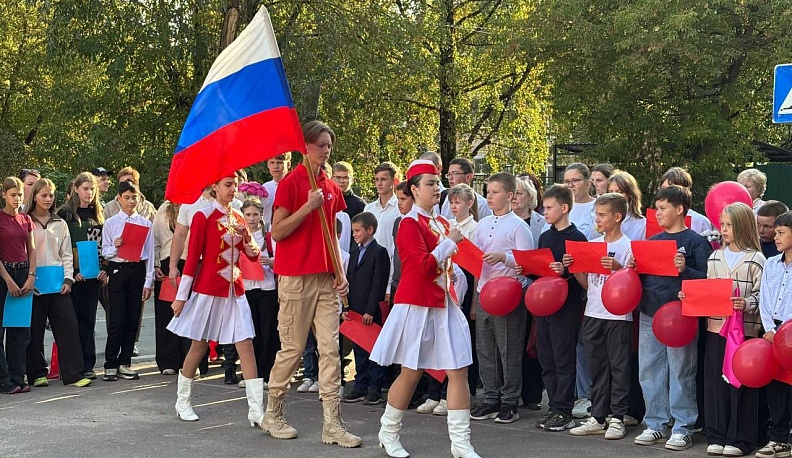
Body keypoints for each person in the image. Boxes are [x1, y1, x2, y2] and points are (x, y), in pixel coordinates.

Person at [371, 159, 480, 458]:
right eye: (430, 183)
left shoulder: (441, 223)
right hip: (418, 304)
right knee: (411, 372)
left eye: (437, 182)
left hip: (445, 303)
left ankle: (461, 444)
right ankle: (388, 431)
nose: (437, 188)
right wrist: (449, 245)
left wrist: (453, 273)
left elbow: (443, 265)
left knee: (459, 369)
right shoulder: (408, 223)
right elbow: (419, 267)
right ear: (414, 190)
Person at [262, 120, 361, 448]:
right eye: (320, 144)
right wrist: (307, 206)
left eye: (329, 145)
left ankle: (332, 424)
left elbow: (331, 233)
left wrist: (340, 272)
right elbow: (276, 232)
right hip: (294, 279)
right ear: (304, 146)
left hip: (324, 279)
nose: (326, 149)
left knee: (331, 350)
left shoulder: (331, 187)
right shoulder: (290, 183)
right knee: (291, 349)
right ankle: (273, 413)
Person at [167, 174, 265, 426]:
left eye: (235, 185)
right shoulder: (202, 216)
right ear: (214, 187)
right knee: (198, 346)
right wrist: (181, 296)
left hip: (236, 290)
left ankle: (256, 411)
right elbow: (192, 261)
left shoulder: (239, 217)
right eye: (228, 185)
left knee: (246, 345)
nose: (233, 190)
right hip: (208, 290)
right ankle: (182, 401)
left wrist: (247, 236)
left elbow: (253, 257)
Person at [630, 185, 712, 451]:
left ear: (680, 209)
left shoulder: (696, 242)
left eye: (663, 208)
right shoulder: (652, 242)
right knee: (649, 370)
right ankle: (655, 423)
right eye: (657, 208)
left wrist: (685, 269)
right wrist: (633, 267)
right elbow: (641, 279)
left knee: (681, 371)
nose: (658, 213)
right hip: (649, 313)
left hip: (680, 316)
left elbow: (708, 280)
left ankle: (683, 426)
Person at [682, 202, 764, 456]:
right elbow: (708, 289)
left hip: (745, 333)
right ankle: (716, 434)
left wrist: (747, 302)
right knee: (716, 383)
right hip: (716, 329)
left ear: (743, 226)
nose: (724, 230)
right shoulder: (715, 256)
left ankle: (740, 439)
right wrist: (690, 297)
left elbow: (765, 296)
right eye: (723, 225)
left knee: (740, 384)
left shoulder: (756, 259)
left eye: (730, 225)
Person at [564, 193, 634, 440]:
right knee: (597, 365)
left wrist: (618, 269)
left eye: (603, 215)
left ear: (617, 216)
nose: (598, 219)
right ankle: (598, 415)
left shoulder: (628, 247)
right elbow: (587, 284)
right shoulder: (593, 244)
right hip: (593, 311)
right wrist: (576, 268)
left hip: (618, 316)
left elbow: (632, 285)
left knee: (619, 366)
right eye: (596, 214)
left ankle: (618, 417)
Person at [470, 172, 535, 424]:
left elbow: (528, 263)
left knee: (509, 349)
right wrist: (476, 298)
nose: (489, 195)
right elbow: (477, 262)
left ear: (509, 196)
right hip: (484, 293)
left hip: (508, 296)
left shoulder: (520, 226)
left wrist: (504, 258)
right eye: (488, 190)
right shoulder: (482, 224)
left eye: (495, 192)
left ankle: (510, 401)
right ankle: (490, 397)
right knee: (485, 349)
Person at [23, 178, 91, 388]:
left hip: (58, 284)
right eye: (43, 195)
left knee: (68, 327)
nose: (48, 199)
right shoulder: (26, 221)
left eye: (51, 195)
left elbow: (66, 254)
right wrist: (28, 278)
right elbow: (23, 252)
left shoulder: (60, 223)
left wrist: (68, 279)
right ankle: (36, 373)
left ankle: (73, 374)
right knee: (34, 331)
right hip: (34, 283)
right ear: (35, 196)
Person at [538, 185, 588, 431]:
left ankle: (563, 409)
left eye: (549, 208)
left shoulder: (577, 238)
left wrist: (564, 270)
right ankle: (553, 407)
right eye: (544, 208)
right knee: (546, 358)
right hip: (542, 305)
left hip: (566, 306)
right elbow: (540, 266)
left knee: (563, 359)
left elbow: (583, 277)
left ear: (564, 208)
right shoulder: (545, 236)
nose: (544, 212)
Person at [100, 180, 154, 381]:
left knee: (133, 318)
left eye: (134, 197)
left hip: (136, 270)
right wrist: (116, 245)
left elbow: (149, 254)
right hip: (118, 270)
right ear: (119, 199)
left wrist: (148, 282)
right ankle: (110, 363)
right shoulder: (112, 222)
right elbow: (105, 251)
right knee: (117, 318)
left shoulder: (145, 223)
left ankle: (125, 362)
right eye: (127, 198)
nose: (131, 201)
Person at [58, 172, 108, 380]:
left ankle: (88, 364)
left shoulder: (98, 213)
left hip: (93, 278)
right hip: (72, 277)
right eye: (85, 188)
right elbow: (61, 247)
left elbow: (102, 246)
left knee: (88, 320)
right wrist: (72, 273)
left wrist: (104, 267)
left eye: (92, 188)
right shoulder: (65, 214)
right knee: (72, 322)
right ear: (76, 189)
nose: (89, 192)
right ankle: (71, 366)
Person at [341, 211, 390, 405]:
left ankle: (375, 388)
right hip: (355, 309)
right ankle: (360, 384)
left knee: (373, 349)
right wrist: (346, 306)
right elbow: (350, 279)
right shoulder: (354, 252)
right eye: (353, 231)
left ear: (370, 230)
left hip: (371, 310)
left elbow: (378, 283)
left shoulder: (379, 252)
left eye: (358, 230)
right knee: (359, 350)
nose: (354, 234)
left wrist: (370, 310)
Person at [757, 210, 792, 458]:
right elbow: (764, 300)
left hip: (790, 334)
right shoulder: (771, 263)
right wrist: (771, 328)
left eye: (781, 233)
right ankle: (778, 438)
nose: (776, 237)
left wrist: (784, 332)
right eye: (776, 232)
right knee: (776, 388)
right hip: (773, 332)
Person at [0, 177, 36, 393]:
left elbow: (31, 249)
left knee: (21, 330)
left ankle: (17, 376)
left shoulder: (25, 219)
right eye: (13, 194)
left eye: (20, 195)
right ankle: (3, 379)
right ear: (4, 194)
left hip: (23, 272)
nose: (17, 199)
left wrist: (31, 275)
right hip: (4, 274)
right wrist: (8, 279)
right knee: (1, 330)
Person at [241, 197, 279, 388]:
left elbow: (281, 261)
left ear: (261, 215)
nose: (252, 218)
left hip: (266, 288)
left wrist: (271, 262)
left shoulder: (269, 237)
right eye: (248, 214)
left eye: (255, 214)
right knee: (250, 332)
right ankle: (251, 374)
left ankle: (266, 373)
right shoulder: (238, 236)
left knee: (267, 331)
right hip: (247, 288)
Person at [152, 200, 187, 375]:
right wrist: (156, 264)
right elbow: (156, 238)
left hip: (192, 262)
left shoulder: (197, 204)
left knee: (190, 312)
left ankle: (191, 361)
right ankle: (168, 360)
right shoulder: (164, 208)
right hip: (167, 263)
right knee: (167, 312)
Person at [659, 167, 712, 235]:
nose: (666, 193)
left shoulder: (700, 221)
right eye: (663, 189)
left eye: (672, 188)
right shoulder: (657, 217)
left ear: (686, 191)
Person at [607, 170, 646, 241]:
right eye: (610, 192)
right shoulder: (600, 219)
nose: (614, 196)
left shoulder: (642, 224)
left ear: (630, 194)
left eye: (619, 192)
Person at [514, 177, 545, 246]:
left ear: (531, 197)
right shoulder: (500, 221)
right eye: (512, 193)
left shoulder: (544, 223)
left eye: (518, 193)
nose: (514, 197)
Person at [262, 153, 291, 226]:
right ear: (268, 165)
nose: (275, 166)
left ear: (288, 164)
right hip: (268, 232)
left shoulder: (294, 186)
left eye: (279, 162)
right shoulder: (264, 188)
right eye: (272, 162)